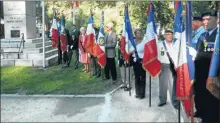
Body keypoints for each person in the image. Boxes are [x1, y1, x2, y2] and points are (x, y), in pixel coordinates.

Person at [193, 11, 219, 123]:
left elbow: (214, 53)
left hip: (212, 71)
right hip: (200, 70)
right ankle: (202, 111)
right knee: (200, 93)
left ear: (216, 19)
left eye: (208, 19)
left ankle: (211, 117)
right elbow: (199, 50)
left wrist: (200, 55)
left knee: (211, 96)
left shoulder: (218, 35)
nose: (205, 22)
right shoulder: (203, 35)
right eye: (203, 20)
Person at [157, 29, 179, 108]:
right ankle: (162, 100)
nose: (169, 36)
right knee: (163, 84)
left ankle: (175, 101)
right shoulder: (160, 44)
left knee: (173, 84)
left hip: (173, 65)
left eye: (170, 34)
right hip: (163, 65)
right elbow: (157, 55)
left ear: (172, 35)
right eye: (167, 34)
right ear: (165, 36)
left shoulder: (176, 44)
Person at [132, 28, 146, 99]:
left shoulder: (144, 42)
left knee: (142, 77)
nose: (139, 34)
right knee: (137, 77)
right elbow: (130, 51)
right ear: (135, 34)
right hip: (135, 62)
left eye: (140, 33)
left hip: (142, 61)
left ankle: (142, 94)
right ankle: (137, 93)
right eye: (137, 33)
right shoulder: (133, 41)